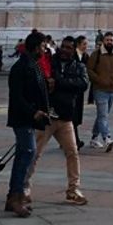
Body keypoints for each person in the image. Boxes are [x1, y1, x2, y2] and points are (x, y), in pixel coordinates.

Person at [24, 35, 89, 206]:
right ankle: (25, 186)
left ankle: (73, 189)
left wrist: (58, 83)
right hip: (48, 116)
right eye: (63, 47)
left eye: (69, 48)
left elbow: (82, 84)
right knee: (35, 153)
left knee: (72, 153)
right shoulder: (49, 63)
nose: (65, 50)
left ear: (74, 50)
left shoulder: (79, 66)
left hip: (66, 118)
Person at [4, 31, 50, 217]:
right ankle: (16, 197)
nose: (45, 49)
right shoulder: (20, 67)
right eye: (43, 46)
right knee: (28, 152)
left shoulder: (34, 65)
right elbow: (16, 96)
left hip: (30, 117)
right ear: (35, 47)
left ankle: (14, 197)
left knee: (25, 154)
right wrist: (34, 112)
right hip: (22, 117)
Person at [86, 30, 113, 151]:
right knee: (103, 115)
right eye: (107, 40)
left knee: (102, 115)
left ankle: (94, 138)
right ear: (103, 41)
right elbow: (89, 69)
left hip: (112, 89)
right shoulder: (96, 54)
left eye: (111, 40)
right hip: (100, 89)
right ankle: (107, 138)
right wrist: (98, 80)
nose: (109, 42)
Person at [72, 35, 90, 147]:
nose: (86, 46)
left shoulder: (84, 56)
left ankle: (69, 140)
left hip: (79, 91)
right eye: (84, 44)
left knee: (76, 116)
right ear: (78, 44)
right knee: (72, 116)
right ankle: (75, 141)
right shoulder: (73, 56)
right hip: (73, 90)